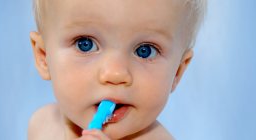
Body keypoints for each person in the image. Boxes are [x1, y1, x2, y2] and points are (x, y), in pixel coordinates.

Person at [28, 0, 206, 139]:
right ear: (44, 56)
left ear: (177, 72)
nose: (115, 74)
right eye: (85, 44)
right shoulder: (43, 124)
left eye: (145, 51)